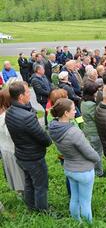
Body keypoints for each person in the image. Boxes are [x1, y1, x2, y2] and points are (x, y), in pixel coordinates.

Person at [49, 98, 100, 222]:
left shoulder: (53, 128)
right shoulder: (73, 132)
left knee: (75, 198)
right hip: (83, 171)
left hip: (69, 167)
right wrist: (97, 158)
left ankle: (76, 221)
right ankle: (89, 224)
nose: (75, 112)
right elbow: (89, 152)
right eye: (73, 110)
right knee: (85, 201)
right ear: (66, 113)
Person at [5, 81, 52, 211]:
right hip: (33, 157)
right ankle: (43, 211)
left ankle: (31, 206)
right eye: (27, 92)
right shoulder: (27, 117)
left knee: (29, 182)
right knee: (41, 185)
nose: (29, 94)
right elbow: (44, 138)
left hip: (21, 154)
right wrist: (48, 140)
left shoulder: (10, 111)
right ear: (20, 96)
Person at [0, 89, 25, 192]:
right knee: (19, 174)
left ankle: (19, 191)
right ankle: (23, 193)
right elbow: (11, 134)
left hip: (5, 149)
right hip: (13, 149)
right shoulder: (7, 117)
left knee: (13, 174)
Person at [81, 82, 105, 177]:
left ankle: (92, 168)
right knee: (97, 153)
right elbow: (97, 118)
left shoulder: (83, 102)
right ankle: (99, 172)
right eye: (96, 91)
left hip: (87, 130)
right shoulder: (91, 105)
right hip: (94, 132)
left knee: (92, 151)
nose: (97, 93)